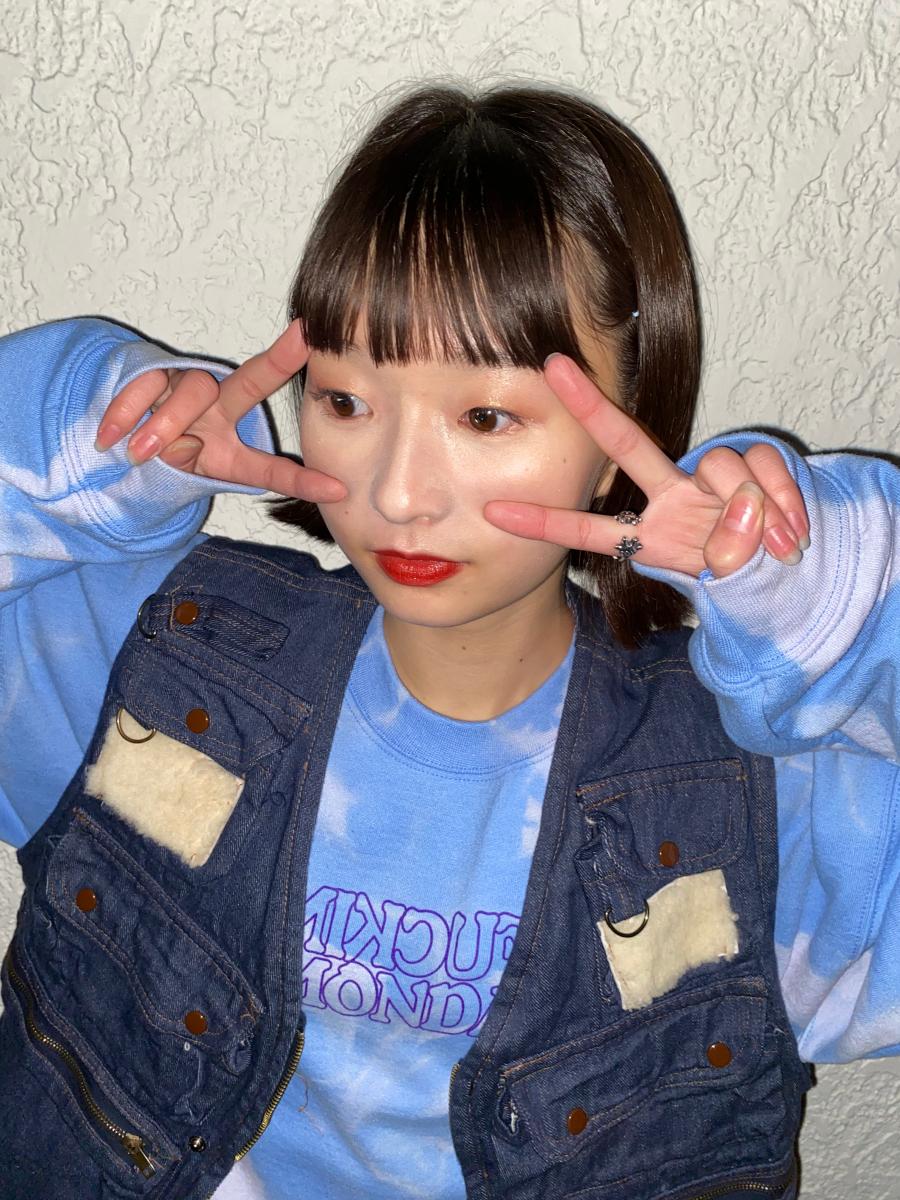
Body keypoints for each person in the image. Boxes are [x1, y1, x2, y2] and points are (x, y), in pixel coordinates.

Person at [0, 83, 897, 1200]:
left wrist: (822, 599)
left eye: (483, 417)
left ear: (624, 431)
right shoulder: (157, 674)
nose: (398, 493)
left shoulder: (743, 808)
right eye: (345, 400)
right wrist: (97, 445)